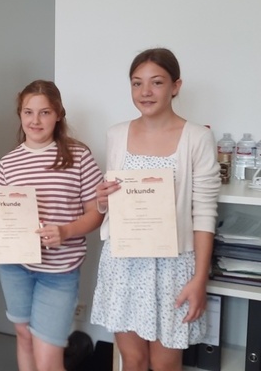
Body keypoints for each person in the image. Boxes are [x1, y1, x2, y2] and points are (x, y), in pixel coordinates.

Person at [90, 48, 221, 371]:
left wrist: (199, 279)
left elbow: (204, 213)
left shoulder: (198, 137)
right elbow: (112, 202)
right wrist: (103, 199)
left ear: (176, 86)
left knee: (166, 363)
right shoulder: (116, 134)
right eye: (137, 83)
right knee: (132, 360)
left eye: (157, 82)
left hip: (173, 266)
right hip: (124, 263)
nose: (145, 92)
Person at [0, 80, 104, 371]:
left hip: (59, 271)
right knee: (24, 335)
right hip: (14, 267)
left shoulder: (79, 156)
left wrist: (66, 231)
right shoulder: (9, 162)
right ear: (20, 114)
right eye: (28, 112)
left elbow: (97, 213)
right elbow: (0, 213)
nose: (35, 120)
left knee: (48, 359)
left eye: (45, 112)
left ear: (58, 114)